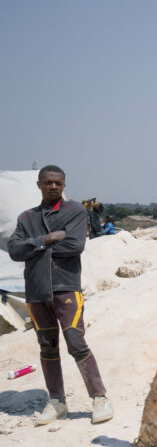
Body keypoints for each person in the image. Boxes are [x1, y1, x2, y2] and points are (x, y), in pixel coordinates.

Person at [8, 165, 113, 426]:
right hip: (36, 292)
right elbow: (14, 250)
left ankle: (99, 398)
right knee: (48, 346)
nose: (53, 186)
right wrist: (47, 239)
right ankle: (57, 401)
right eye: (48, 182)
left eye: (57, 182)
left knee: (76, 342)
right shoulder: (26, 218)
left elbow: (75, 246)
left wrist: (34, 246)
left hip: (65, 288)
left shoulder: (75, 211)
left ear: (64, 184)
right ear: (39, 185)